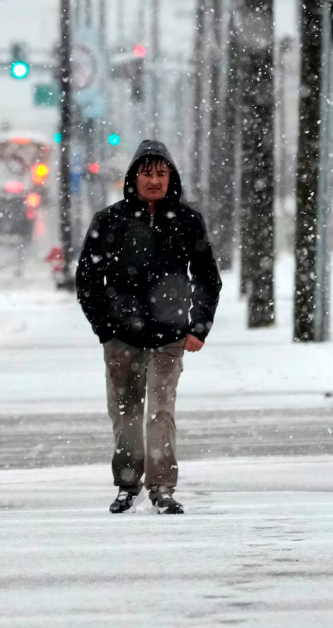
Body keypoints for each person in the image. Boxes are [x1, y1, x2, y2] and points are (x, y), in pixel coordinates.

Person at [76, 140, 222, 514]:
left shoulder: (188, 221)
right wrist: (104, 328)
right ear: (133, 178)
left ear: (171, 176)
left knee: (161, 410)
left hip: (170, 335)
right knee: (124, 410)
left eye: (161, 173)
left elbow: (207, 277)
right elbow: (88, 278)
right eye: (146, 173)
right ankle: (128, 484)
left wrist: (198, 327)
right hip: (121, 334)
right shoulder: (109, 221)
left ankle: (161, 486)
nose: (154, 180)